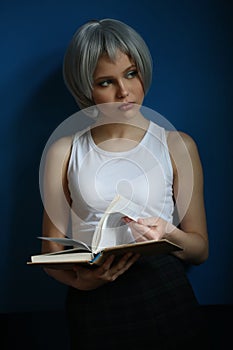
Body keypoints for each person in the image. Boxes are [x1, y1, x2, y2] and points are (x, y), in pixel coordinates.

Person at [40, 18, 209, 349]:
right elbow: (50, 251)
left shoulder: (178, 146)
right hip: (92, 298)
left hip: (163, 288)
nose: (124, 91)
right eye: (106, 81)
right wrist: (83, 283)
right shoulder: (64, 151)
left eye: (131, 73)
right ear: (85, 88)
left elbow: (200, 250)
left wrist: (168, 233)